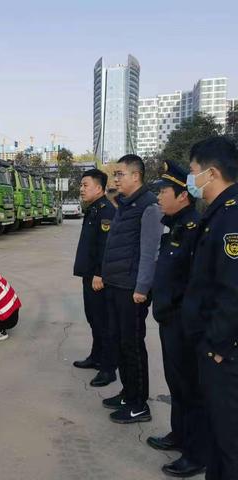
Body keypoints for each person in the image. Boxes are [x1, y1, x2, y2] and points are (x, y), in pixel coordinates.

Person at [181, 137, 238, 480]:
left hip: (224, 353)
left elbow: (234, 290)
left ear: (212, 173)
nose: (191, 181)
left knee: (229, 440)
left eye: (193, 173)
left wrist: (217, 345)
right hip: (214, 345)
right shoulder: (218, 213)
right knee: (218, 435)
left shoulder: (231, 219)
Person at [146, 161, 207, 478]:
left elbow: (198, 285)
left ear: (183, 196)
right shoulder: (177, 227)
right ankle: (179, 434)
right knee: (176, 383)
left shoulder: (196, 229)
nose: (159, 198)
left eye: (164, 192)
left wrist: (184, 318)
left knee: (191, 388)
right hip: (171, 323)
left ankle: (196, 453)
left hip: (185, 325)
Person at [100, 154, 163, 424]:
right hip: (116, 285)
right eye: (114, 175)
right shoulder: (126, 205)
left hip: (131, 290)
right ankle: (128, 393)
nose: (115, 179)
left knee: (133, 346)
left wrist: (142, 287)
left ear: (136, 176)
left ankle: (139, 405)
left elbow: (150, 252)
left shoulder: (149, 207)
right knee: (120, 343)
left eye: (120, 174)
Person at [72, 169, 117, 387]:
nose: (81, 189)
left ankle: (108, 369)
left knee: (103, 322)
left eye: (85, 185)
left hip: (98, 278)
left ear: (99, 188)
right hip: (89, 275)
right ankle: (96, 356)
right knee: (94, 319)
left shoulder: (106, 210)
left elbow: (106, 246)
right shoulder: (93, 210)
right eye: (81, 185)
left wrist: (100, 273)